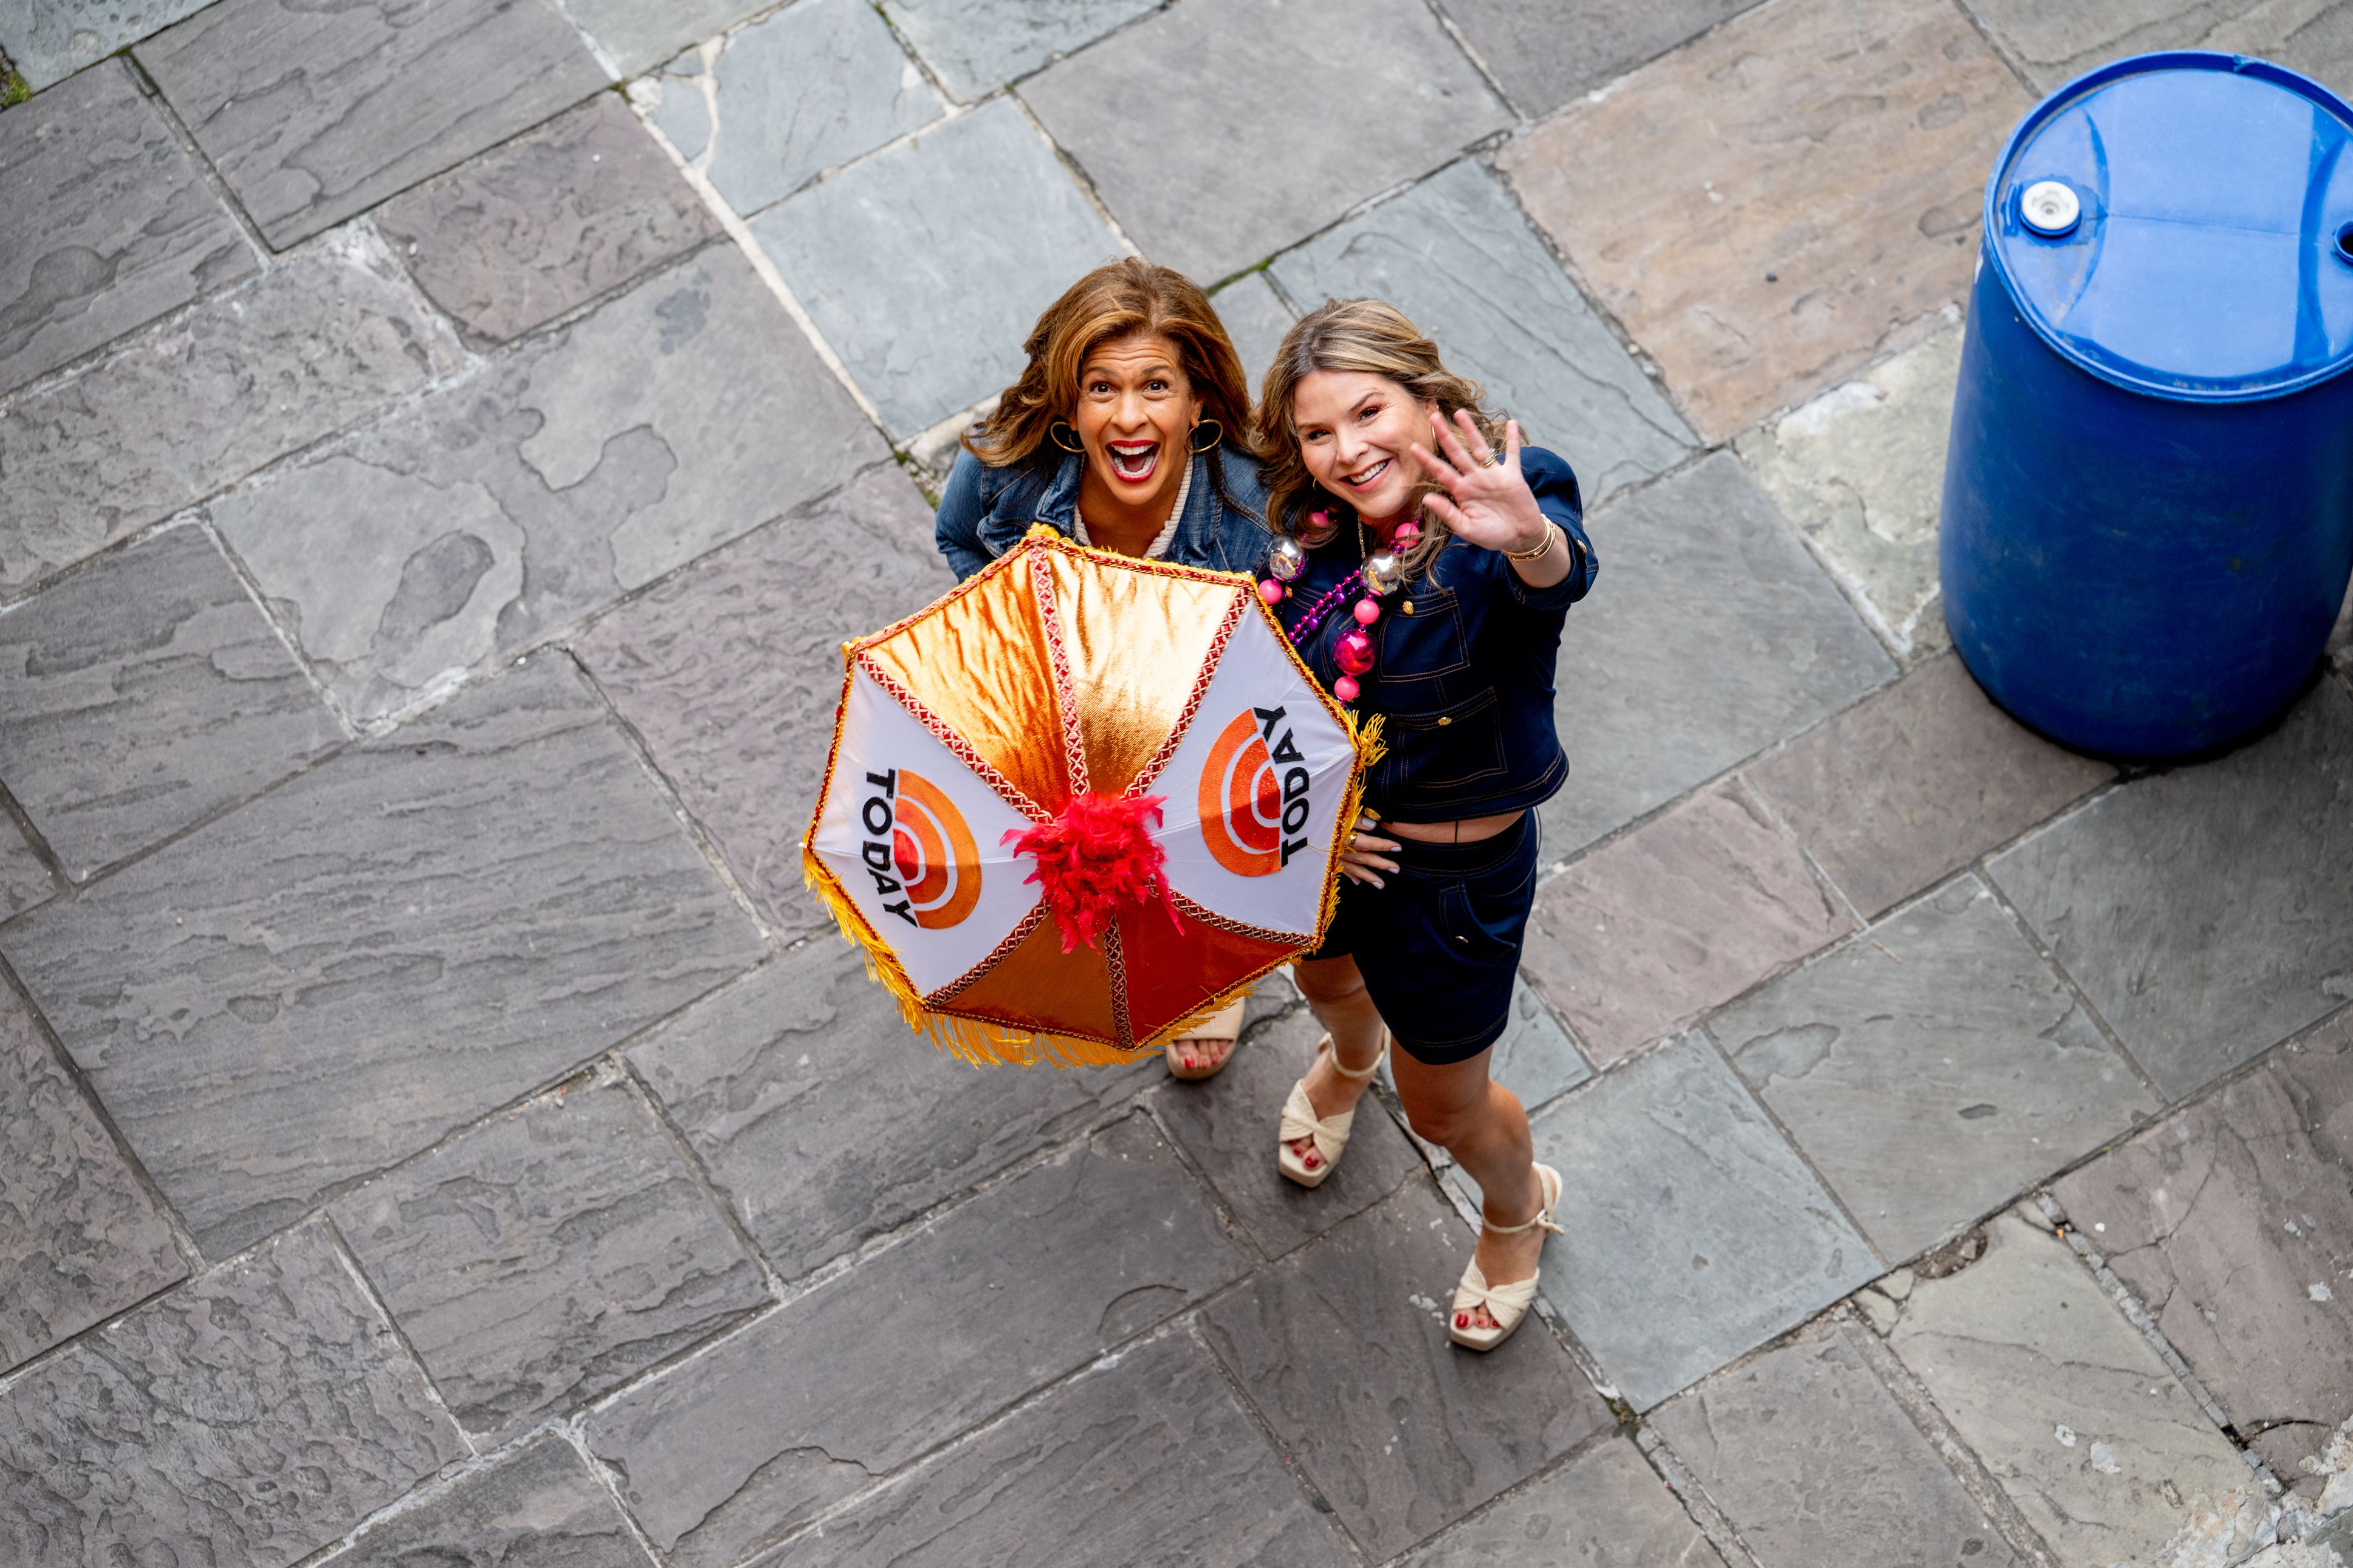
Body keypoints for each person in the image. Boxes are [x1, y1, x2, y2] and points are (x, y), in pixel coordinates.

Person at [1254, 298, 1598, 1352]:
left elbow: (1559, 575)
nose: (1349, 452)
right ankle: (1350, 1056)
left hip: (1450, 886)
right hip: (1324, 847)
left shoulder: (1497, 503)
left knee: (1445, 1109)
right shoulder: (1310, 532)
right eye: (1318, 432)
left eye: (1370, 413)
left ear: (1425, 397)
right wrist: (1311, 821)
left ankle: (1517, 1208)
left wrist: (1531, 540)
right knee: (1323, 983)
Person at [935, 258, 1272, 1079]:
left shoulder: (1257, 512)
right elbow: (959, 535)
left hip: (1200, 710)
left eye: (1156, 386)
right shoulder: (1007, 469)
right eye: (1101, 388)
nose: (1128, 417)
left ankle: (1215, 964)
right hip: (1063, 692)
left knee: (1205, 829)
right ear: (1068, 404)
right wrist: (1015, 641)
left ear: (1198, 403)